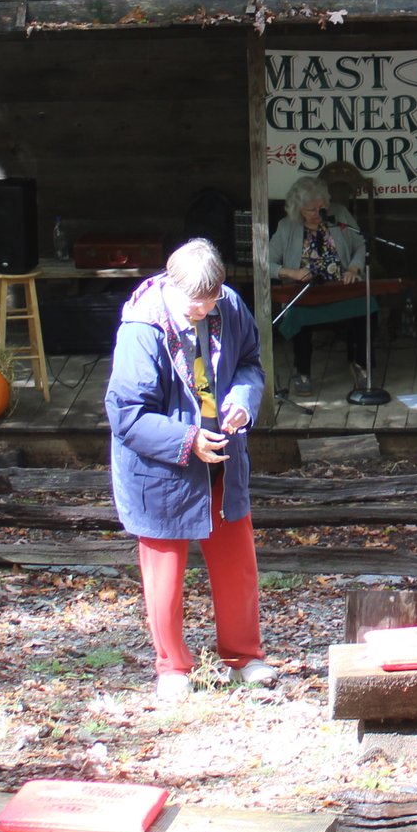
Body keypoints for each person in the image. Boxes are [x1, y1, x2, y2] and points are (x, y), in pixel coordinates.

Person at [105, 239, 274, 698]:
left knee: (238, 563)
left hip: (222, 456)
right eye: (192, 304)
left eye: (210, 301)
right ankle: (173, 668)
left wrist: (241, 402)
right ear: (170, 287)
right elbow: (127, 415)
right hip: (162, 468)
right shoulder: (141, 329)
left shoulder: (230, 305)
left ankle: (244, 657)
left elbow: (249, 365)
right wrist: (186, 440)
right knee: (165, 574)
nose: (202, 311)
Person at [266, 175, 367, 396]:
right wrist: (291, 272)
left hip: (341, 288)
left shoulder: (339, 215)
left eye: (322, 207)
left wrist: (353, 269)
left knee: (367, 307)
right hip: (304, 293)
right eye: (312, 210)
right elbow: (266, 263)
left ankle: (360, 364)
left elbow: (361, 244)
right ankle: (302, 372)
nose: (319, 214)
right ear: (298, 209)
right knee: (299, 316)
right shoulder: (286, 227)